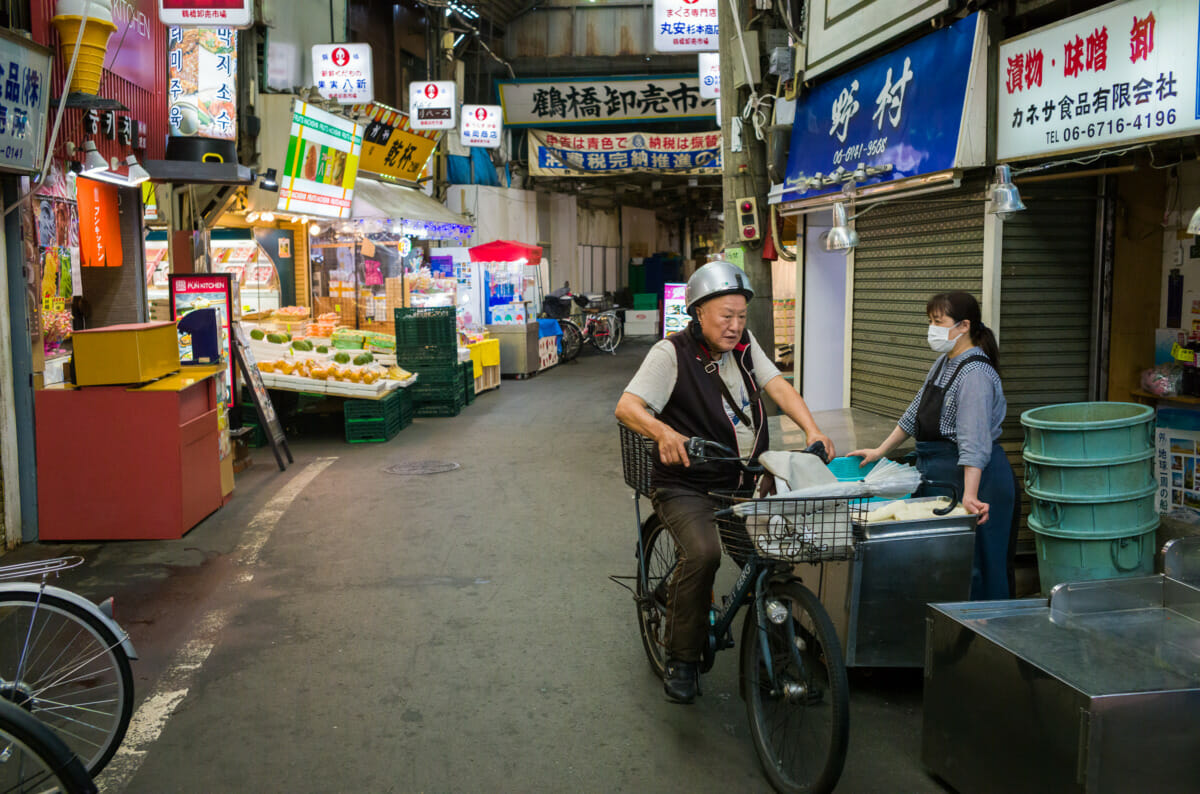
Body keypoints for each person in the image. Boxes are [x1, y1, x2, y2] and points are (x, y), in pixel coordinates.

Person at [614, 260, 835, 704]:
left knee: (773, 559)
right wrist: (663, 432)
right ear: (698, 312)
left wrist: (813, 429)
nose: (735, 326)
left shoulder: (746, 346)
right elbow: (627, 407)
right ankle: (681, 658)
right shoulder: (670, 353)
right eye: (725, 316)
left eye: (740, 316)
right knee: (702, 553)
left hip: (743, 481)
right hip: (685, 485)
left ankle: (777, 658)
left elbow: (779, 387)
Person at [850, 291, 1016, 601]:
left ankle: (981, 644)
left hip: (974, 480)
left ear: (964, 326)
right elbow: (914, 414)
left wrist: (970, 494)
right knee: (943, 569)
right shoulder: (945, 361)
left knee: (976, 568)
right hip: (942, 478)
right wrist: (880, 451)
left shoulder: (976, 373)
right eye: (930, 322)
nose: (932, 329)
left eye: (938, 322)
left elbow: (974, 441)